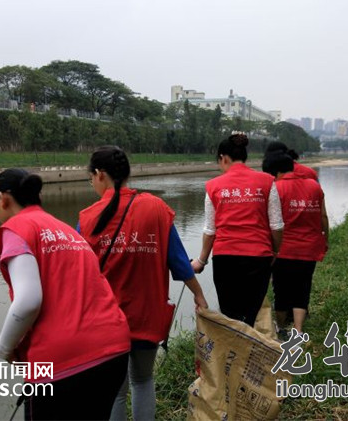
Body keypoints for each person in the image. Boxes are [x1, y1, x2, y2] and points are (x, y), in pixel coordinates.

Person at [78, 146, 208, 421]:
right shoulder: (156, 208)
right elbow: (179, 260)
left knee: (115, 391)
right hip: (147, 316)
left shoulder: (88, 219)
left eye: (90, 178)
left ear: (100, 174)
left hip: (106, 321)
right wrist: (198, 294)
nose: (92, 183)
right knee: (143, 380)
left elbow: (79, 274)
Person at [0, 168, 131, 421]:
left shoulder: (16, 228)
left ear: (3, 199)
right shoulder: (64, 229)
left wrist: (4, 347)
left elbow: (28, 302)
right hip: (113, 351)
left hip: (63, 362)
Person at [192, 132, 284, 327]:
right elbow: (276, 226)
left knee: (229, 315)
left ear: (223, 158)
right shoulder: (267, 182)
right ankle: (247, 340)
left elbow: (210, 230)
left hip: (225, 259)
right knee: (250, 314)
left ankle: (233, 345)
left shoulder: (213, 186)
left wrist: (201, 261)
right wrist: (274, 252)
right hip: (259, 257)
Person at [262, 152, 329, 336]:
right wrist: (326, 239)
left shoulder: (276, 188)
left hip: (283, 250)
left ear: (275, 171)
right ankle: (298, 329)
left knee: (281, 289)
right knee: (303, 287)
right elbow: (323, 216)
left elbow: (271, 222)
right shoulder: (314, 186)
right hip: (309, 247)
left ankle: (281, 328)